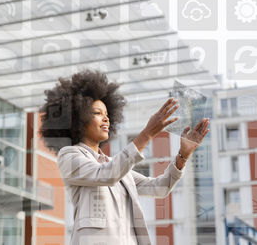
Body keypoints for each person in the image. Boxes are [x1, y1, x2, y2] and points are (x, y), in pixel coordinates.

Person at [39, 70, 209, 245]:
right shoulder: (70, 156)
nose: (106, 119)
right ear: (78, 119)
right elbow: (106, 175)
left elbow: (159, 187)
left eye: (107, 114)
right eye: (97, 113)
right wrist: (147, 134)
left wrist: (183, 155)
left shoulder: (117, 165)